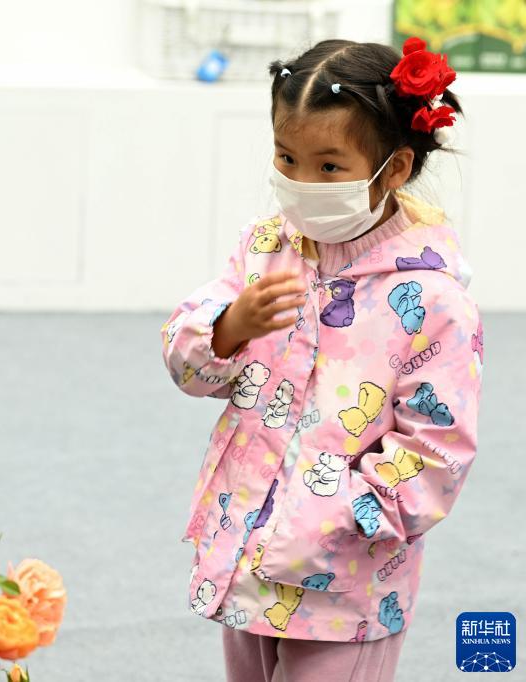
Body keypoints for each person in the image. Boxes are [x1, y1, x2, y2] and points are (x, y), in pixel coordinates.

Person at [160, 38, 483, 682]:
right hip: (245, 557)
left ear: (393, 168)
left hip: (346, 584)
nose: (302, 182)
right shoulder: (265, 248)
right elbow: (187, 366)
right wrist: (229, 328)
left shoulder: (434, 301)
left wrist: (336, 513)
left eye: (329, 166)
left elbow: (436, 453)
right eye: (287, 158)